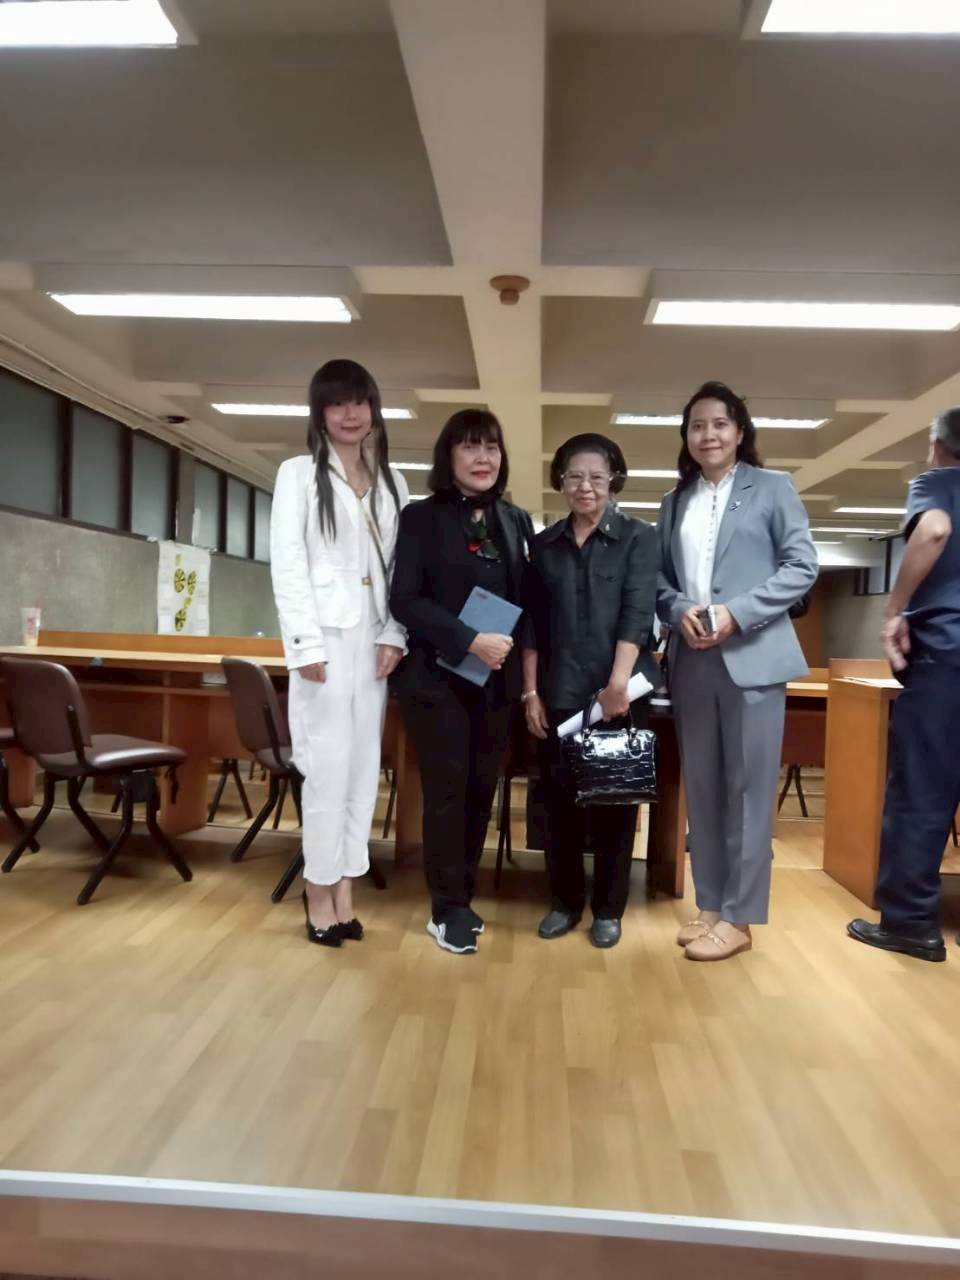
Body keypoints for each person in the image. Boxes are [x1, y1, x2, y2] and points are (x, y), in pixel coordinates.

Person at [656, 381, 817, 961]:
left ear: (740, 431)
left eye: (719, 424)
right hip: (692, 658)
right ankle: (711, 905)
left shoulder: (773, 488)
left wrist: (737, 613)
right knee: (702, 788)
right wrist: (679, 609)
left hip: (754, 657)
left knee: (747, 790)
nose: (708, 435)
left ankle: (741, 918)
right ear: (686, 436)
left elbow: (802, 566)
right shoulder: (674, 501)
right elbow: (659, 582)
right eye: (697, 426)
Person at [271, 358, 408, 947]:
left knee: (362, 769)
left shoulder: (394, 482)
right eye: (337, 403)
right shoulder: (298, 474)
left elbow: (401, 569)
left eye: (360, 402)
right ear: (320, 413)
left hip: (374, 641)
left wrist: (395, 633)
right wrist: (303, 643)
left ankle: (346, 889)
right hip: (323, 639)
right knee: (325, 769)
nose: (350, 414)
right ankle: (317, 891)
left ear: (373, 409)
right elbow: (288, 564)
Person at [390, 409, 534, 955]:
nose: (483, 458)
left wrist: (526, 679)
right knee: (447, 793)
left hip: (494, 683)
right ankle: (445, 908)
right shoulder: (420, 518)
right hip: (437, 679)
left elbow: (527, 601)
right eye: (470, 447)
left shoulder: (515, 520)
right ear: (448, 456)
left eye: (491, 447)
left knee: (481, 790)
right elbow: (405, 599)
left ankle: (464, 896)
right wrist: (469, 639)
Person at [522, 433, 658, 949]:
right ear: (560, 482)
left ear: (613, 481)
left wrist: (618, 685)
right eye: (575, 476)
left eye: (597, 476)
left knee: (614, 805)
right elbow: (532, 625)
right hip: (559, 693)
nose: (586, 486)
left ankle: (608, 909)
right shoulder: (544, 546)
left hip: (618, 695)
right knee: (557, 807)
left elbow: (637, 613)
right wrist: (530, 692)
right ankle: (563, 903)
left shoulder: (639, 538)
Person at [848, 408, 960, 963]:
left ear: (938, 445)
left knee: (922, 793)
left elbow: (934, 530)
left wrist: (894, 610)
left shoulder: (939, 482)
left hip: (946, 656)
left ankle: (912, 925)